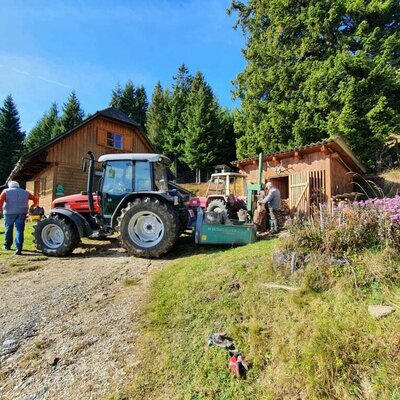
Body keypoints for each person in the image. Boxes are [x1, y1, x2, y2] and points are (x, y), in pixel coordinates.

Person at [0, 181, 38, 255]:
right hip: (22, 212)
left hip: (9, 213)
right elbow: (35, 199)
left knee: (8, 229)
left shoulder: (6, 191)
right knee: (19, 230)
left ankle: (7, 246)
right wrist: (32, 206)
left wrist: (1, 210)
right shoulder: (25, 192)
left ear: (9, 186)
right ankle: (19, 248)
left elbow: (0, 201)